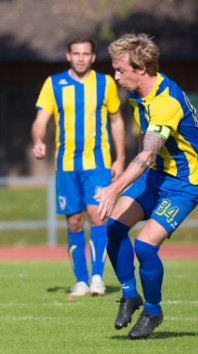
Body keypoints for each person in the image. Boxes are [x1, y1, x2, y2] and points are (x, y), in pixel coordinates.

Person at [94, 33, 198, 339]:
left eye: (121, 70)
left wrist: (114, 187)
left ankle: (153, 311)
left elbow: (147, 152)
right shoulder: (137, 96)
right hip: (156, 175)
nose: (115, 75)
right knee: (115, 228)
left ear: (141, 68)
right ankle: (131, 295)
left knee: (145, 246)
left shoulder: (165, 102)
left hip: (185, 182)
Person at [31, 36, 126, 297]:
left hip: (97, 163)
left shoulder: (105, 83)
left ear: (93, 57)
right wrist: (38, 140)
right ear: (68, 56)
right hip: (66, 165)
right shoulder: (53, 83)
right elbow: (41, 118)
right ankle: (81, 280)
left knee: (97, 216)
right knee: (74, 221)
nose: (81, 57)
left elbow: (116, 121)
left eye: (86, 53)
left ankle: (97, 278)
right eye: (76, 53)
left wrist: (120, 158)